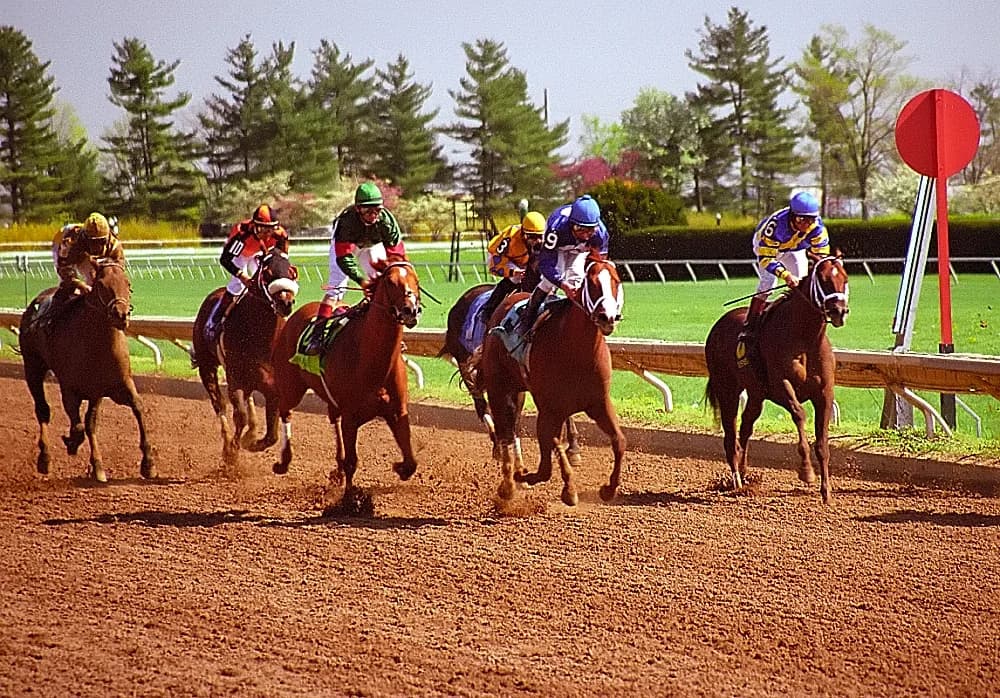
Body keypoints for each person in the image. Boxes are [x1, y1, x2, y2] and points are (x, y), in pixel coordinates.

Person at [301, 181, 405, 356]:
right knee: (336, 288)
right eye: (368, 211)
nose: (373, 215)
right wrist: (362, 281)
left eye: (377, 210)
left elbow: (398, 256)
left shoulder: (387, 222)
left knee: (386, 285)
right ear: (358, 209)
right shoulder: (347, 222)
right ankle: (316, 336)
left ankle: (394, 336)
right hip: (346, 247)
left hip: (372, 245)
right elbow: (344, 258)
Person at [740, 191, 830, 343]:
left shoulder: (817, 228)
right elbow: (766, 259)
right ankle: (751, 324)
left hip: (793, 250)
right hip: (766, 248)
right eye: (802, 219)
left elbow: (821, 258)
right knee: (769, 283)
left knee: (802, 282)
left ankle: (800, 321)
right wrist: (786, 275)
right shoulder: (776, 227)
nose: (806, 224)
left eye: (811, 219)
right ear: (792, 215)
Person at [518, 195, 610, 331]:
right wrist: (561, 283)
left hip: (579, 251)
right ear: (571, 224)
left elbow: (599, 265)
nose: (585, 235)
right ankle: (527, 317)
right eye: (580, 229)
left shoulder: (600, 234)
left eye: (590, 230)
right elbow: (545, 264)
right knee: (550, 281)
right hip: (558, 248)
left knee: (576, 282)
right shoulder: (556, 229)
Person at [207, 203, 289, 340]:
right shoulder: (242, 235)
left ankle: (276, 314)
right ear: (255, 226)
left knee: (268, 282)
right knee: (237, 286)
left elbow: (282, 259)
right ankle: (214, 320)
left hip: (260, 253)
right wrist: (242, 276)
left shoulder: (280, 234)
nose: (268, 235)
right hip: (241, 254)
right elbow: (225, 259)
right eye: (264, 230)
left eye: (271, 230)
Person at [51, 212, 125, 315]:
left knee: (96, 279)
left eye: (101, 242)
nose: (97, 247)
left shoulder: (114, 245)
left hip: (82, 249)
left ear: (107, 237)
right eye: (92, 242)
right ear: (85, 237)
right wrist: (79, 285)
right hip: (62, 243)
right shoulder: (71, 242)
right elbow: (64, 269)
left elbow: (118, 273)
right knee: (69, 287)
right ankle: (51, 317)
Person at [479, 210, 546, 322]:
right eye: (532, 237)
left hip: (522, 259)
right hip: (500, 257)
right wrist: (512, 272)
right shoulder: (511, 239)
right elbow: (494, 267)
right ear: (524, 233)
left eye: (540, 236)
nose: (537, 241)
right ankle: (488, 309)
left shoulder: (544, 239)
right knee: (515, 278)